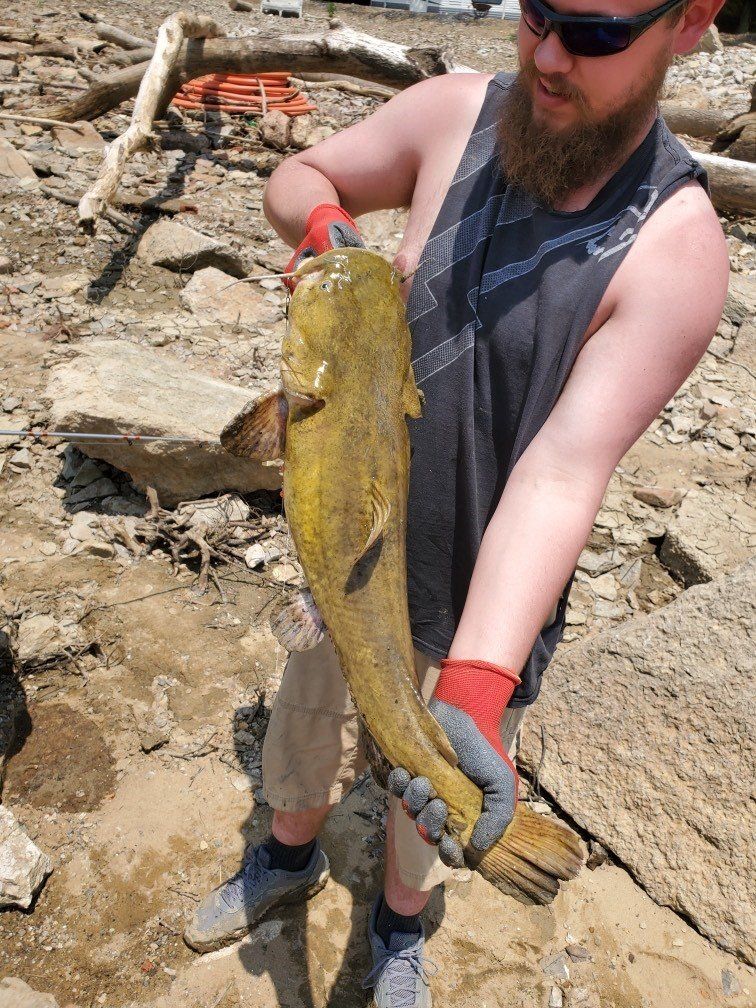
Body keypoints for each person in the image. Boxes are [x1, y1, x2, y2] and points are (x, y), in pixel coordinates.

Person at [184, 0, 729, 1001]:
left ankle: (399, 928)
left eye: (596, 33)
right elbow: (301, 175)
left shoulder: (678, 252)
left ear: (690, 21)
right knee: (307, 718)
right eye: (535, 13)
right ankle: (286, 855)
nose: (550, 54)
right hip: (343, 558)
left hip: (488, 592)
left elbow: (565, 468)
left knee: (431, 779)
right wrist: (331, 229)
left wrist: (475, 684)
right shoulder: (451, 114)